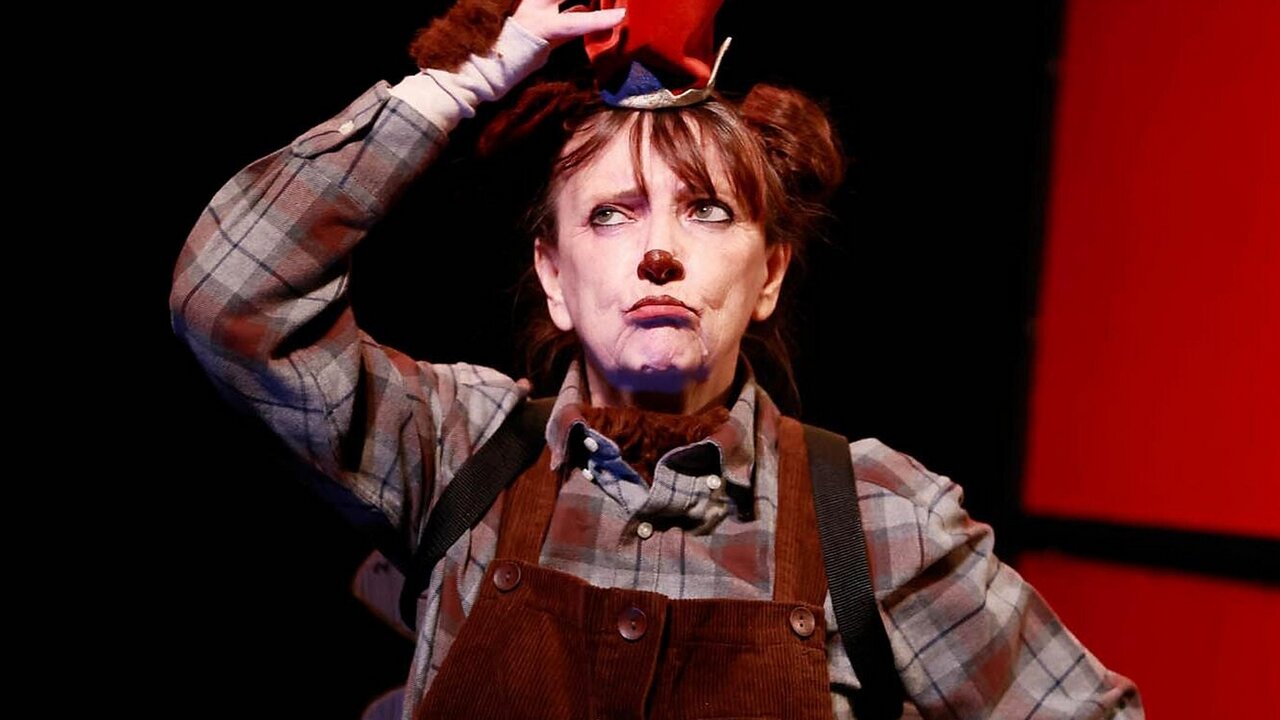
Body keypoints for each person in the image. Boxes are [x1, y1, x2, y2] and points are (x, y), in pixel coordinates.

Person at [170, 1, 1143, 717]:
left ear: (768, 275)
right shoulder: (453, 449)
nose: (659, 252)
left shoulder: (878, 519)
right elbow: (231, 301)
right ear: (553, 276)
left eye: (706, 210)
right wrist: (452, 88)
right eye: (611, 213)